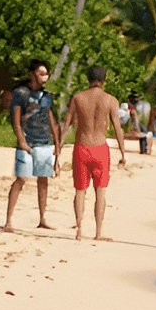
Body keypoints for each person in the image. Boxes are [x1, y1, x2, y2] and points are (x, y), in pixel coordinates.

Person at [58, 67, 127, 241]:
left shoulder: (77, 98)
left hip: (81, 147)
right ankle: (98, 233)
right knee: (100, 192)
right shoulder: (110, 100)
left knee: (80, 191)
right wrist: (123, 153)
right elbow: (117, 128)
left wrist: (58, 147)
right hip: (100, 149)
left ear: (88, 79)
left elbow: (66, 124)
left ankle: (79, 230)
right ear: (104, 79)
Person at [3, 59, 60, 231]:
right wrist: (22, 141)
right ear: (31, 74)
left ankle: (42, 218)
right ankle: (8, 221)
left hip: (44, 143)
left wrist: (57, 143)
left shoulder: (47, 96)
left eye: (46, 74)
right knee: (21, 179)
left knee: (43, 180)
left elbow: (51, 119)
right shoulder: (20, 93)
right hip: (27, 143)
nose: (45, 77)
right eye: (41, 73)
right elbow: (16, 120)